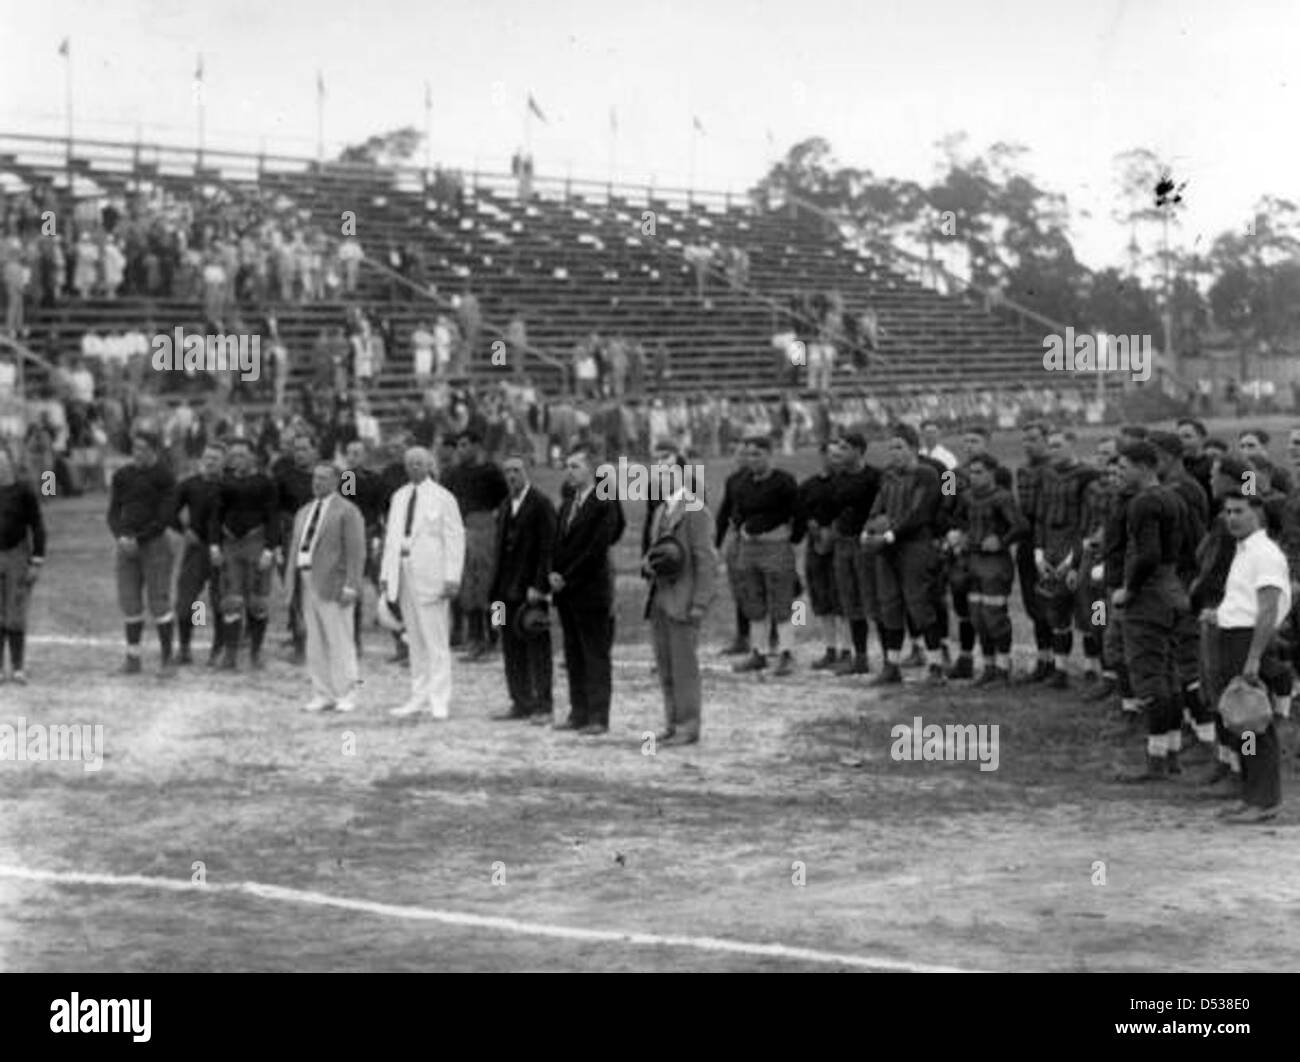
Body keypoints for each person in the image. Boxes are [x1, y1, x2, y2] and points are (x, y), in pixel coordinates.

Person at [1203, 490, 1290, 822]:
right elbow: (1244, 601)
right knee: (1239, 723)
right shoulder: (1242, 551)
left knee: (1254, 722)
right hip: (1232, 637)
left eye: (1239, 511)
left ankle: (1265, 799)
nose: (1231, 518)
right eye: (1227, 512)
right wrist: (1220, 615)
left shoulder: (1265, 553)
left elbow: (1268, 608)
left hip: (1249, 642)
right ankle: (1250, 792)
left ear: (1258, 513)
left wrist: (1253, 657)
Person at [1114, 441, 1191, 782]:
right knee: (1171, 675)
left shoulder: (1143, 502)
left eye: (1124, 466)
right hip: (1173, 590)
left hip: (1148, 597)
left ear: (1144, 467)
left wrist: (1128, 590)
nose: (1120, 473)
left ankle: (1156, 760)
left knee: (1150, 677)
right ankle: (1171, 753)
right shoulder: (1174, 497)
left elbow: (1147, 554)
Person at [643, 444, 719, 746]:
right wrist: (648, 564)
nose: (663, 474)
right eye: (659, 470)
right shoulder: (660, 510)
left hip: (684, 600)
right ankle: (672, 721)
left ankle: (689, 724)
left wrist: (700, 602)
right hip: (660, 599)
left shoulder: (696, 510)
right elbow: (656, 552)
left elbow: (706, 560)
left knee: (685, 666)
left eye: (670, 469)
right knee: (665, 664)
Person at [381, 447, 465, 719]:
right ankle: (418, 695)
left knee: (436, 640)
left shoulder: (443, 498)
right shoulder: (399, 496)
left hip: (432, 575)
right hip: (403, 572)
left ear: (429, 465)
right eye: (410, 463)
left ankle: (439, 698)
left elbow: (454, 539)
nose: (414, 468)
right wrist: (386, 574)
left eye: (419, 463)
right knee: (414, 639)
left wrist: (452, 576)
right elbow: (391, 538)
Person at [550, 445, 624, 734]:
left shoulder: (603, 501)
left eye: (576, 466)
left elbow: (596, 548)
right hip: (566, 589)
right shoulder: (568, 502)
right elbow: (557, 541)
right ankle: (577, 711)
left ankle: (597, 716)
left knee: (595, 654)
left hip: (590, 588)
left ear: (592, 470)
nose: (570, 471)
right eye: (567, 466)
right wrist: (553, 573)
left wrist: (567, 576)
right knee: (573, 653)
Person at [862, 424, 944, 685]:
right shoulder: (887, 475)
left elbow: (923, 511)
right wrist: (869, 529)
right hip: (889, 548)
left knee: (920, 605)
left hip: (916, 546)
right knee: (889, 606)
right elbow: (878, 506)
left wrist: (892, 534)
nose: (894, 453)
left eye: (899, 447)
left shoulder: (934, 471)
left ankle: (936, 665)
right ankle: (892, 664)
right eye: (890, 447)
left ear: (914, 447)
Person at [289, 463, 365, 712]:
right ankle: (323, 693)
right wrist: (291, 581)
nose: (317, 482)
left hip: (333, 581)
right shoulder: (304, 511)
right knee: (315, 641)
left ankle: (347, 693)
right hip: (306, 579)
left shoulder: (347, 511)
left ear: (336, 481)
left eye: (323, 478)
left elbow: (355, 552)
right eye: (315, 477)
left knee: (340, 639)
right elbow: (295, 548)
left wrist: (352, 585)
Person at [489, 453, 557, 723]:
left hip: (530, 590)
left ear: (527, 471)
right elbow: (498, 552)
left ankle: (543, 704)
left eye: (516, 470)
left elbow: (549, 548)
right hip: (504, 591)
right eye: (507, 471)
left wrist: (539, 586)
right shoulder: (505, 505)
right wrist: (494, 600)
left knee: (536, 644)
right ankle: (520, 701)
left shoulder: (541, 504)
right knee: (509, 646)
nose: (512, 476)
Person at [730, 435, 804, 677]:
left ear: (769, 455)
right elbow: (737, 511)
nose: (752, 460)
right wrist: (743, 528)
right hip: (749, 550)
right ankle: (758, 652)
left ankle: (787, 653)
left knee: (783, 601)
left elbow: (796, 513)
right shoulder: (742, 483)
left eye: (757, 454)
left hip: (776, 548)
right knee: (753, 601)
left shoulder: (784, 482)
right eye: (749, 454)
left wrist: (790, 538)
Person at [107, 430, 178, 675]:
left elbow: (166, 516)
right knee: (129, 602)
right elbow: (113, 512)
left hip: (155, 544)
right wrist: (121, 537)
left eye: (143, 448)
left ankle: (168, 660)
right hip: (126, 545)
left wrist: (140, 538)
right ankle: (133, 658)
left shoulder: (165, 476)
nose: (137, 453)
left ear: (155, 450)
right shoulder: (122, 475)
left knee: (158, 601)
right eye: (135, 448)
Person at [209, 438, 279, 671]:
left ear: (253, 457)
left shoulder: (265, 483)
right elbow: (215, 516)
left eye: (242, 454)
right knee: (230, 600)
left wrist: (270, 548)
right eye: (234, 454)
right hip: (230, 544)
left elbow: (273, 517)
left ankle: (256, 653)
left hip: (256, 542)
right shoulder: (223, 483)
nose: (237, 459)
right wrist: (214, 545)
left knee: (257, 601)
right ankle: (230, 654)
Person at [450, 431, 508, 661]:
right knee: (468, 589)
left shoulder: (491, 472)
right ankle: (474, 638)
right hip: (462, 530)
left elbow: (504, 501)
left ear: (476, 446)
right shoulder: (453, 474)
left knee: (493, 587)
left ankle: (497, 632)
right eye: (458, 446)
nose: (460, 450)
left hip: (486, 530)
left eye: (464, 445)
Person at [173, 442, 226, 666]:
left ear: (224, 461)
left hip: (223, 552)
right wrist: (183, 530)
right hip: (197, 550)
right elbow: (167, 510)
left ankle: (218, 649)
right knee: (189, 601)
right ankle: (185, 647)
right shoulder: (190, 485)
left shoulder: (230, 485)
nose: (210, 461)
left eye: (215, 457)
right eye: (207, 456)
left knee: (219, 602)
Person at [0, 446, 45, 684]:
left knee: (15, 613)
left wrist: (37, 559)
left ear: (9, 463)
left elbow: (37, 525)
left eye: (2, 462)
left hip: (17, 554)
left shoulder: (23, 491)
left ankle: (17, 667)